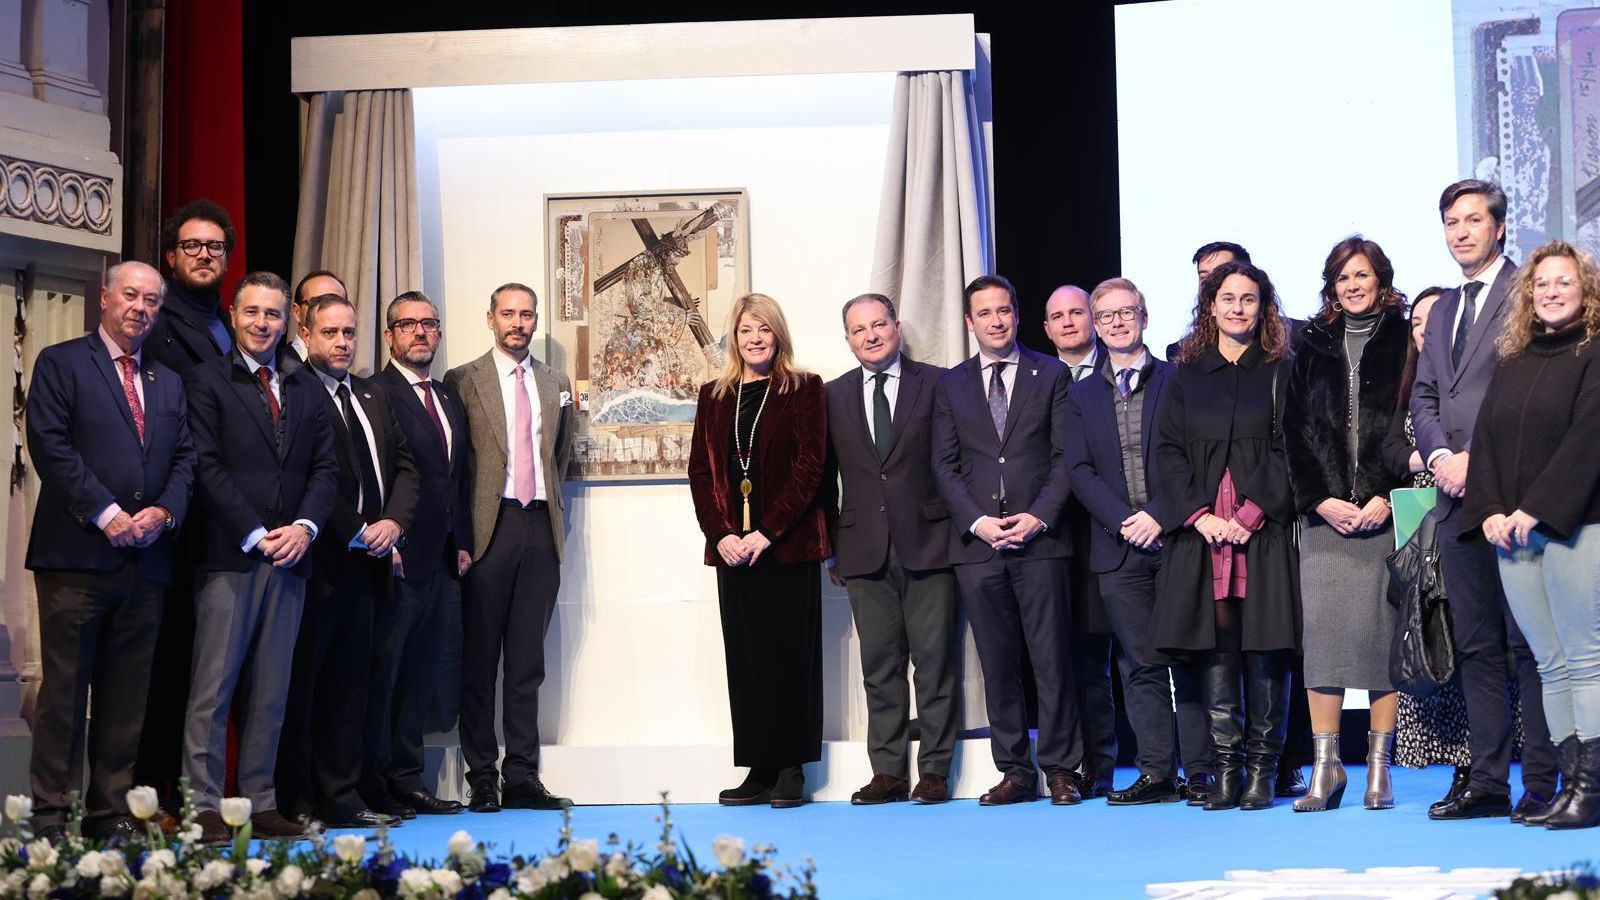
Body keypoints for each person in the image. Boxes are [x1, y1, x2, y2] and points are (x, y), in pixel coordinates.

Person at [23, 262, 196, 843]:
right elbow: (50, 446)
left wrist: (165, 512)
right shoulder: (62, 363)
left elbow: (185, 460)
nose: (140, 308)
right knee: (65, 699)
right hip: (76, 560)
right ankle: (51, 818)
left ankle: (109, 813)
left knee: (127, 702)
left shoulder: (169, 381)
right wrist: (108, 514)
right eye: (131, 296)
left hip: (146, 561)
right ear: (104, 298)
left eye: (152, 300)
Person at [1412, 179, 1558, 820]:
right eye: (1451, 221)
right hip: (1452, 501)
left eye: (1473, 219)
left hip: (1513, 494)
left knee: (1529, 646)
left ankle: (1543, 783)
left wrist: (1479, 459)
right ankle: (1489, 782)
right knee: (1474, 646)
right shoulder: (1441, 308)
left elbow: (1530, 391)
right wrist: (1442, 456)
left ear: (1499, 227)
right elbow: (1423, 397)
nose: (1461, 231)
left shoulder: (1527, 292)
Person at [181, 271, 338, 843]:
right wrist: (254, 532)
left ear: (286, 320)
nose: (262, 323)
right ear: (233, 314)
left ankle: (259, 802)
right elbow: (205, 465)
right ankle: (201, 804)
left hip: (291, 559)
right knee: (213, 690)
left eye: (272, 314)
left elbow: (326, 469)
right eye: (252, 312)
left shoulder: (305, 386)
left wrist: (303, 527)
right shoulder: (204, 382)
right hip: (231, 555)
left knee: (272, 691)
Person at [1150, 260, 1300, 811]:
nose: (1238, 307)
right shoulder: (1185, 372)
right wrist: (1198, 513)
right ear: (1209, 305)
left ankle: (1263, 771)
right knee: (1217, 645)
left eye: (1249, 299)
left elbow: (1291, 448)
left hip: (1260, 527)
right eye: (1227, 298)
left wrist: (1252, 512)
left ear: (1263, 307)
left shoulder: (1283, 367)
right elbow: (1164, 452)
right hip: (1203, 530)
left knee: (1265, 645)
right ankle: (1226, 771)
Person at [1463, 240, 1600, 829]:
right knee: (1548, 662)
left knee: (1585, 657)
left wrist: (1538, 510)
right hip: (1511, 535)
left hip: (1575, 527)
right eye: (1541, 283)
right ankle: (1571, 785)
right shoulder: (1513, 356)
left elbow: (1588, 441)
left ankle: (1592, 790)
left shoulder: (1595, 353)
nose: (1550, 291)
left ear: (1584, 290)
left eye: (1563, 282)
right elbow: (1488, 439)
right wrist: (1491, 508)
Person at [932, 275, 1083, 806]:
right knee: (998, 663)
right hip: (979, 546)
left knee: (1052, 661)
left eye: (1004, 311)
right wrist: (978, 522)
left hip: (1041, 541)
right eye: (985, 313)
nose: (996, 321)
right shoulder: (950, 384)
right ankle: (1016, 772)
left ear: (1016, 315)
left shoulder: (1052, 375)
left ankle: (1063, 768)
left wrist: (1037, 517)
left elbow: (1067, 459)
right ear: (970, 322)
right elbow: (944, 466)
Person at [276, 294, 420, 830]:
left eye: (349, 333)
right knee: (305, 686)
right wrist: (356, 529)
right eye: (330, 333)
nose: (341, 342)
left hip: (374, 562)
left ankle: (343, 794)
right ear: (307, 336)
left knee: (351, 687)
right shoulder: (296, 391)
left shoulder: (371, 393)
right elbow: (309, 478)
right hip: (322, 562)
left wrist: (393, 524)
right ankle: (297, 797)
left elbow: (406, 465)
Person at [1282, 236, 1410, 811]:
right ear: (1331, 287)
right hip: (1326, 520)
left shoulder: (1408, 337)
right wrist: (1319, 500)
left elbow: (1413, 423)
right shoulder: (1309, 343)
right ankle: (1327, 768)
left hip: (1385, 514)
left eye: (1362, 275)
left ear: (1380, 279)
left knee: (1382, 643)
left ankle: (1379, 771)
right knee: (1326, 645)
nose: (1353, 286)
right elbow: (1294, 430)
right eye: (1342, 278)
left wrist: (1388, 494)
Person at [688, 293, 828, 808]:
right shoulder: (714, 395)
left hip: (786, 547)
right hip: (733, 552)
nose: (755, 338)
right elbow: (701, 473)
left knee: (790, 658)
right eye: (747, 329)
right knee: (746, 661)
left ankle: (791, 768)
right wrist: (722, 534)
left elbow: (812, 468)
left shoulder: (804, 388)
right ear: (734, 336)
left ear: (778, 335)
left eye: (764, 329)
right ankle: (759, 767)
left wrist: (766, 531)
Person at [444, 283, 575, 812]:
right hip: (486, 532)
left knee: (527, 663)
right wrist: (460, 537)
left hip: (540, 530)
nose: (518, 323)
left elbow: (559, 455)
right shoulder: (462, 380)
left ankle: (521, 776)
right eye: (508, 314)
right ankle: (482, 776)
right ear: (491, 318)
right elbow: (456, 465)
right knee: (479, 661)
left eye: (527, 314)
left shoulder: (554, 380)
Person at [823, 293, 957, 805]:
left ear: (898, 328)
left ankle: (936, 771)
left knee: (934, 663)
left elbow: (954, 462)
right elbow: (823, 478)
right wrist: (830, 546)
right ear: (849, 339)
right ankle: (889, 772)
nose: (871, 336)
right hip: (861, 551)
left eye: (879, 325)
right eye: (859, 330)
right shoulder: (832, 395)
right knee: (879, 668)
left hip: (931, 544)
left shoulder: (939, 383)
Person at [1064, 277, 1184, 805]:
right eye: (1105, 314)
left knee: (1195, 658)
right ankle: (1158, 773)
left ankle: (1202, 772)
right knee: (1139, 665)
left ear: (1144, 316)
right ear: (1096, 323)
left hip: (1178, 539)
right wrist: (1124, 520)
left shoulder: (1178, 380)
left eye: (1125, 312)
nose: (1116, 321)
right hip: (1117, 549)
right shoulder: (1080, 395)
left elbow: (1195, 462)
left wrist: (1158, 515)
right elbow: (1079, 470)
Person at [136, 199, 237, 810]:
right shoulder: (156, 319)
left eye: (216, 247)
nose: (205, 256)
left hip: (223, 519)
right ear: (171, 256)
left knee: (210, 668)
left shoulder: (231, 320)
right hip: (174, 518)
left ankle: (198, 792)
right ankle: (156, 795)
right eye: (193, 247)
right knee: (167, 666)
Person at [365, 291, 473, 816]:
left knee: (418, 678)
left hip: (440, 560)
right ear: (389, 336)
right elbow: (379, 477)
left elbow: (459, 479)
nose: (420, 333)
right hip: (396, 557)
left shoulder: (449, 397)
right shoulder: (375, 393)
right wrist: (390, 539)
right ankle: (376, 780)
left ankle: (408, 780)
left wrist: (464, 543)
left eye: (429, 323)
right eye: (408, 325)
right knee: (384, 674)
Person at [1384, 287, 1480, 792]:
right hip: (1422, 526)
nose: (1425, 330)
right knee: (1431, 640)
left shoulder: (1470, 386)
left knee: (1474, 644)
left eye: (1434, 320)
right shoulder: (1411, 388)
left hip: (1469, 513)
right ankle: (1455, 762)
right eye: (1417, 322)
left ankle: (1479, 762)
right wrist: (1427, 459)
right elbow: (1390, 449)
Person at [1044, 284, 1118, 797]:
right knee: (1061, 657)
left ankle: (1108, 763)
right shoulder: (1036, 377)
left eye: (1077, 313)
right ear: (1046, 328)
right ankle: (1069, 763)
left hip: (1109, 532)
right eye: (1058, 316)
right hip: (1049, 539)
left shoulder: (1119, 372)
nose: (1068, 322)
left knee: (1107, 657)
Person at [288, 270, 348, 360]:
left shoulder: (343, 370)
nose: (328, 312)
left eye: (336, 303)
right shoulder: (274, 370)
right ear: (297, 312)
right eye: (316, 303)